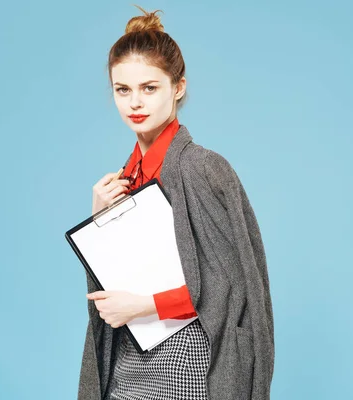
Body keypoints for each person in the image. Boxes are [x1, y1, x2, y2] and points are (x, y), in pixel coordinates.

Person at [78, 6, 274, 400]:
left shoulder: (203, 168)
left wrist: (140, 306)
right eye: (123, 89)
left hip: (190, 359)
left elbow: (228, 289)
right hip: (128, 356)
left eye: (150, 88)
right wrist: (100, 218)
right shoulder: (124, 177)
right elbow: (124, 279)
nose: (135, 102)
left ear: (177, 87)